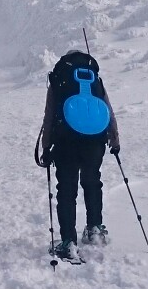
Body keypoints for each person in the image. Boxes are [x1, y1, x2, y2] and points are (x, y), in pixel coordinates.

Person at [35, 50, 120, 262]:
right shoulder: (94, 79)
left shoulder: (59, 79)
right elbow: (108, 110)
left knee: (66, 190)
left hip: (66, 142)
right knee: (92, 182)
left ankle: (68, 241)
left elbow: (49, 116)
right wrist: (115, 139)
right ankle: (95, 229)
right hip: (95, 141)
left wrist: (46, 147)